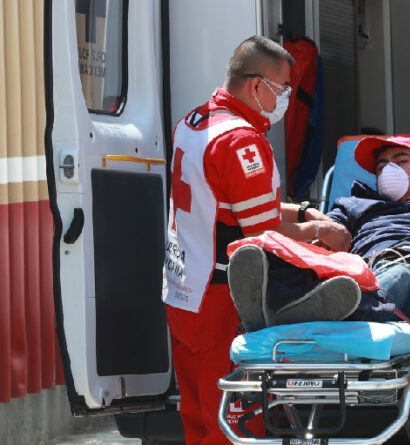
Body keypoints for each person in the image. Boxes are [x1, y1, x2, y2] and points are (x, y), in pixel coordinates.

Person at [161, 35, 352, 445]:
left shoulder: (194, 123)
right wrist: (321, 231)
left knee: (197, 415)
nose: (285, 98)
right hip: (221, 297)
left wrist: (301, 211)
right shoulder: (241, 140)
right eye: (283, 88)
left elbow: (235, 203)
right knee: (234, 426)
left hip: (182, 290)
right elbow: (261, 231)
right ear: (256, 86)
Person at [227, 134, 410, 330]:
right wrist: (308, 227)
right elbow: (318, 244)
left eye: (401, 160)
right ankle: (278, 300)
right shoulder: (354, 205)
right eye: (382, 165)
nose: (389, 169)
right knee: (286, 257)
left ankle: (301, 311)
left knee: (400, 276)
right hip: (357, 275)